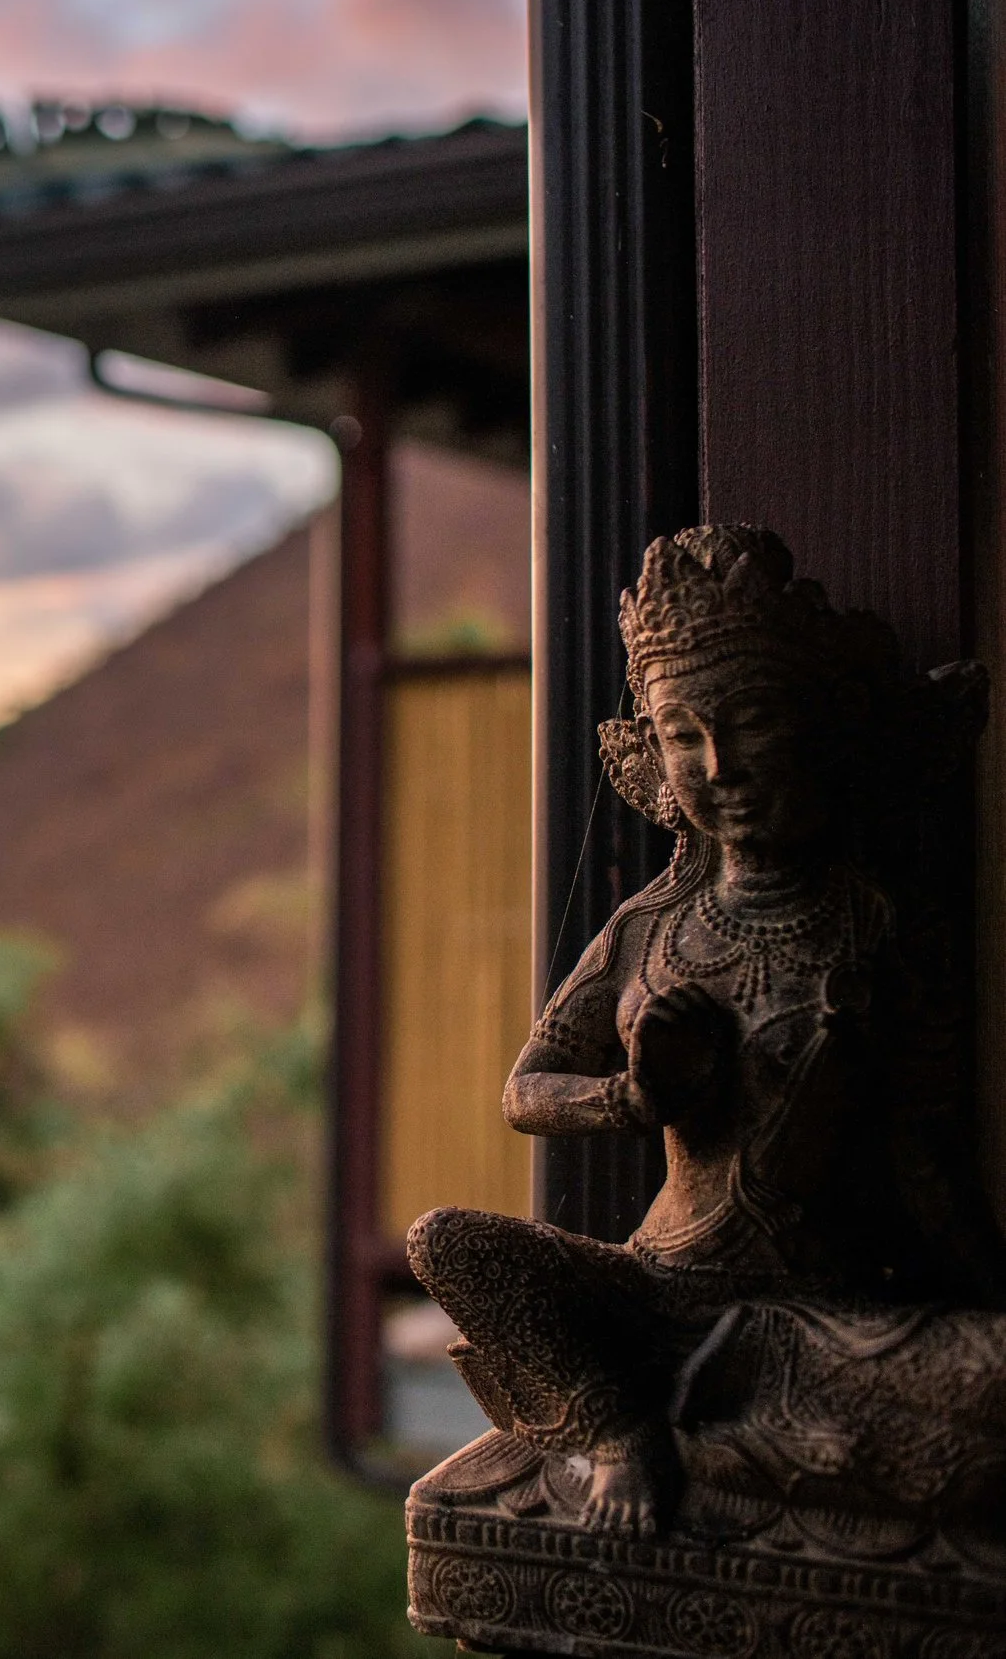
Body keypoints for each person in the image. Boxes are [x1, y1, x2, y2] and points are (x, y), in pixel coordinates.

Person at [407, 524, 1006, 1537]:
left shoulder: (876, 926)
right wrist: (632, 1098)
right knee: (446, 1239)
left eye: (753, 722)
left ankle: (729, 1434)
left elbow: (923, 1152)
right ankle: (615, 1426)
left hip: (814, 1315)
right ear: (651, 751)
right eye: (682, 733)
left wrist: (981, 1287)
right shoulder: (651, 928)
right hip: (652, 1286)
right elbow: (527, 1088)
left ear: (817, 730)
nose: (718, 763)